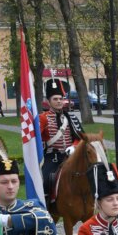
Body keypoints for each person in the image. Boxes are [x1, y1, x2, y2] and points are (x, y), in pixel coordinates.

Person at [39, 79, 84, 212]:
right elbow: (36, 139)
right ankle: (47, 208)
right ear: (48, 101)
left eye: (61, 98)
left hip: (69, 157)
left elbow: (81, 138)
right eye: (55, 99)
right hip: (52, 157)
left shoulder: (71, 118)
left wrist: (74, 146)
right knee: (46, 180)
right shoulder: (43, 118)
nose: (59, 101)